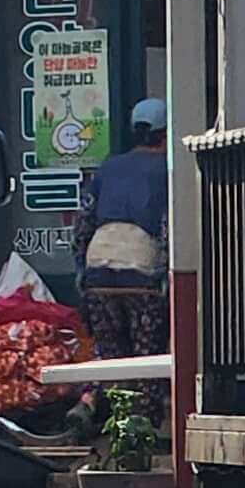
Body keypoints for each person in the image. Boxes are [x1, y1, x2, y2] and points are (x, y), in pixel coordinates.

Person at [74, 94, 171, 362]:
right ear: (166, 133)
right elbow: (168, 225)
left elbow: (83, 221)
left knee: (112, 360)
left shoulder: (108, 168)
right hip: (142, 270)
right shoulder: (167, 170)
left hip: (98, 269)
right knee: (147, 359)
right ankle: (145, 403)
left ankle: (116, 403)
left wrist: (81, 269)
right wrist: (166, 272)